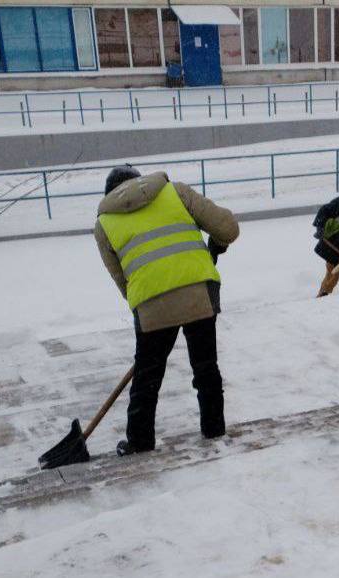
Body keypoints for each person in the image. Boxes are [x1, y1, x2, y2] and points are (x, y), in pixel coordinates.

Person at [94, 165, 240, 456]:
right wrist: (216, 246)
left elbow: (122, 280)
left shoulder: (104, 225)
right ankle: (214, 429)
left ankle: (140, 441)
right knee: (205, 366)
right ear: (140, 181)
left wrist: (146, 309)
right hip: (199, 291)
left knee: (147, 375)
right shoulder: (175, 192)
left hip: (151, 303)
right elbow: (228, 228)